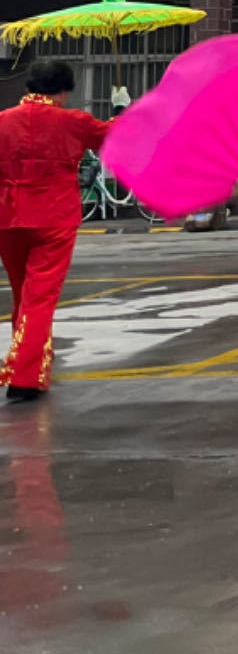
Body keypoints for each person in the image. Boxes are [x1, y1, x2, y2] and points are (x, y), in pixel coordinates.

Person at [0, 61, 110, 402]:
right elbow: (114, 134)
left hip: (9, 216)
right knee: (40, 298)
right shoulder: (72, 121)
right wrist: (123, 109)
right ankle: (25, 376)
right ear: (63, 91)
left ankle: (34, 360)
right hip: (53, 216)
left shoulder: (3, 121)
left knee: (24, 294)